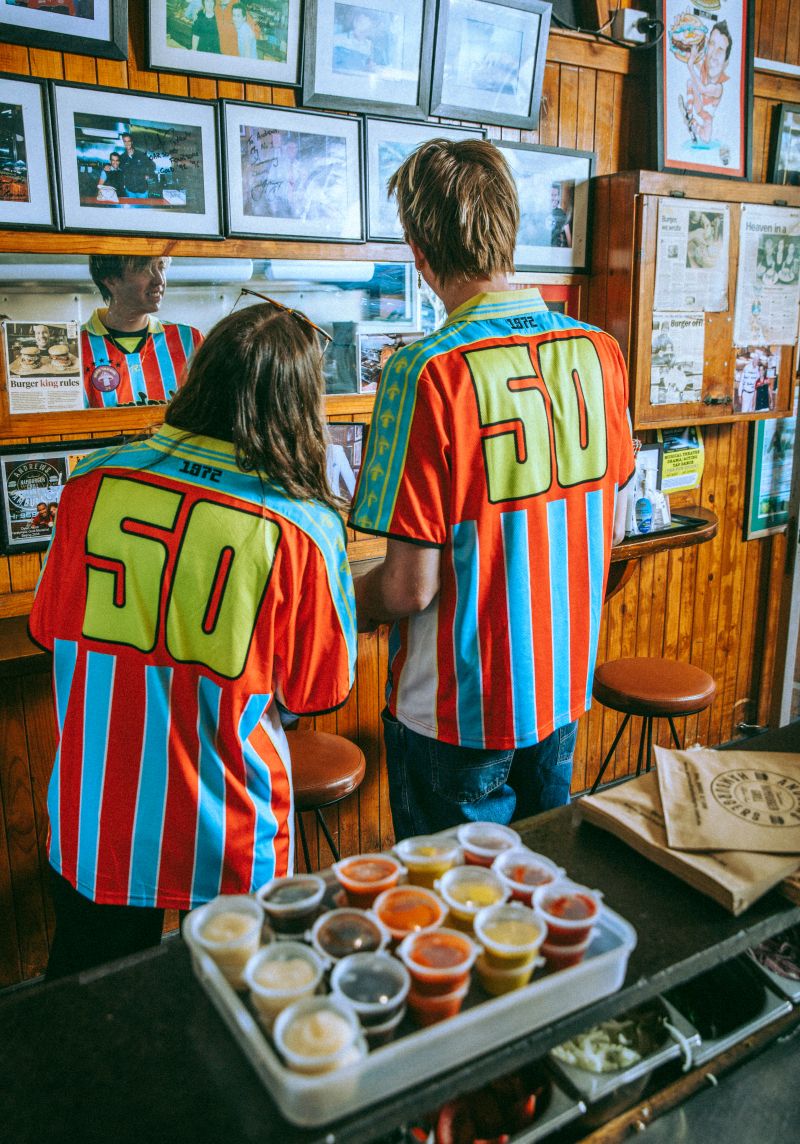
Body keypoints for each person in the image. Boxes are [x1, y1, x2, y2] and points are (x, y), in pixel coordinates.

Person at [29, 301, 357, 980]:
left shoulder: (90, 482)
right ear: (300, 405)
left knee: (92, 1024)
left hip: (98, 819)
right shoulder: (304, 525)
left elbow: (46, 631)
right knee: (233, 1029)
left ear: (199, 375)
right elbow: (315, 692)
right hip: (230, 827)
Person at [349, 139, 635, 839]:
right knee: (532, 903)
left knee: (456, 925)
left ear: (418, 250)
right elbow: (616, 526)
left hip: (453, 712)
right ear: (511, 224)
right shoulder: (599, 351)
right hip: (561, 694)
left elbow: (408, 590)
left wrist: (340, 591)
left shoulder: (424, 371)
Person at [81, 254, 203, 408]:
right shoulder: (74, 348)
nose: (159, 280)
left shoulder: (190, 340)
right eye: (144, 269)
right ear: (111, 279)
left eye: (161, 266)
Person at [679, 21, 733, 145]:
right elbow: (694, 60)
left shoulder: (718, 87)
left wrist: (690, 66)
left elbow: (703, 89)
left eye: (720, 50)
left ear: (726, 63)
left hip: (706, 118)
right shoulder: (705, 71)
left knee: (705, 137)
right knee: (690, 83)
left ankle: (692, 124)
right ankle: (689, 113)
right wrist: (689, 49)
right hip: (698, 109)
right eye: (712, 44)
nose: (713, 54)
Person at [117, 131, 156, 199]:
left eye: (129, 141)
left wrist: (148, 174)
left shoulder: (141, 155)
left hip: (142, 191)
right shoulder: (122, 157)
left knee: (143, 209)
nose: (127, 143)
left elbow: (152, 165)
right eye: (125, 141)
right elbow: (117, 167)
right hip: (130, 191)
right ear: (123, 142)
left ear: (132, 142)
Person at [548, 182, 571, 248]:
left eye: (555, 195)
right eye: (551, 195)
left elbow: (568, 236)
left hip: (556, 251)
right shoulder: (542, 213)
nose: (553, 198)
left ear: (558, 197)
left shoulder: (561, 214)